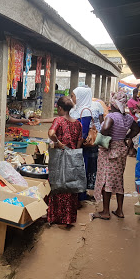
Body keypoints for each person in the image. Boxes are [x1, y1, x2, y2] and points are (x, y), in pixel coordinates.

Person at [92, 89, 140, 220]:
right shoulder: (128, 118)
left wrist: (105, 136)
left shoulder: (112, 117)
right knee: (119, 180)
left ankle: (106, 211)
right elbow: (136, 129)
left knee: (106, 179)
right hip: (121, 149)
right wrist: (125, 137)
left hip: (110, 150)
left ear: (113, 104)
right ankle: (119, 210)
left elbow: (106, 128)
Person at [46, 96, 83, 225]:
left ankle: (56, 217)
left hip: (60, 158)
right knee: (71, 187)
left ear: (60, 108)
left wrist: (57, 142)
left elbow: (51, 133)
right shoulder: (78, 123)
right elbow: (79, 142)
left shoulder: (59, 120)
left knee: (57, 186)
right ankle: (69, 219)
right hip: (73, 158)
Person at [70, 86, 104, 199]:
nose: (72, 98)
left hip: (80, 148)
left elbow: (83, 134)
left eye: (73, 96)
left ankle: (80, 197)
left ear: (80, 97)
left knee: (81, 170)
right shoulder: (75, 109)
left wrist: (76, 149)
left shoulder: (85, 112)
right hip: (74, 146)